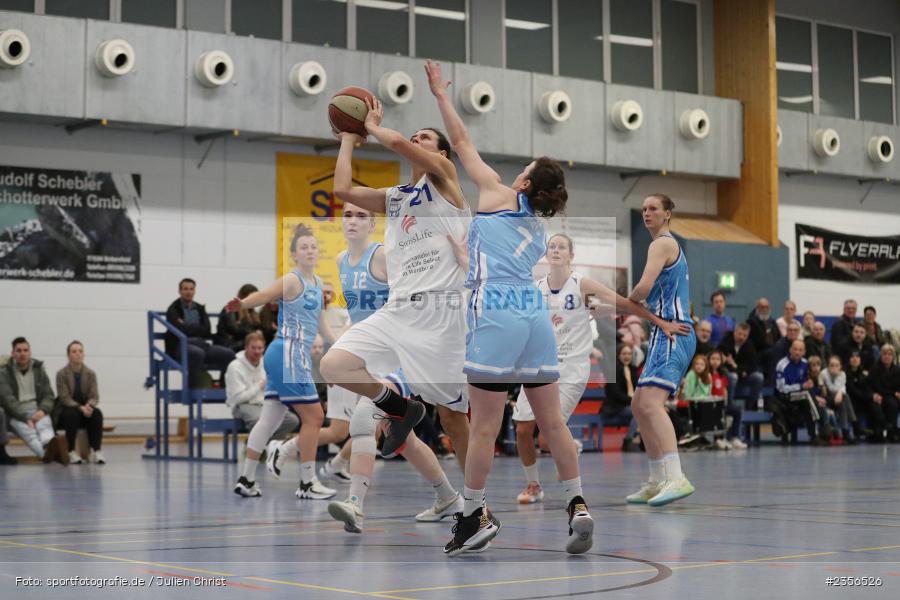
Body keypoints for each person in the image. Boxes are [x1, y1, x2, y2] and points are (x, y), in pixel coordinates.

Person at [428, 60, 685, 556]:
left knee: (484, 427)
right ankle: (577, 503)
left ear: (525, 184)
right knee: (553, 424)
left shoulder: (498, 194)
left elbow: (460, 142)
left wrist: (441, 95)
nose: (517, 172)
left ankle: (473, 515)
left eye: (523, 170)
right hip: (533, 314)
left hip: (497, 310)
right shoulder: (535, 224)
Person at [320, 90, 472, 534]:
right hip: (398, 310)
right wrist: (348, 139)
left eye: (426, 137)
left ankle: (474, 502)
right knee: (334, 365)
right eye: (415, 135)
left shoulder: (446, 181)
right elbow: (342, 190)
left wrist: (370, 125)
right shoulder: (397, 196)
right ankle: (399, 408)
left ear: (441, 154)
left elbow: (399, 145)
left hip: (441, 316)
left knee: (453, 418)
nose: (415, 139)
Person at [513, 233, 676, 504]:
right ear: (546, 254)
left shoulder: (581, 284)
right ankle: (534, 485)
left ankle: (569, 452)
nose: (556, 250)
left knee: (547, 437)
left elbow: (619, 302)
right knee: (522, 430)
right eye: (552, 246)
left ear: (571, 255)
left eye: (562, 247)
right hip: (540, 366)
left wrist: (657, 321)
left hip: (571, 368)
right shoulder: (536, 288)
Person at [229, 224, 337, 500]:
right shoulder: (292, 280)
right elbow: (265, 295)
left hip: (286, 355)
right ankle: (307, 483)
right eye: (304, 247)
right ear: (294, 254)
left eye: (313, 246)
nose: (310, 251)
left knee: (270, 418)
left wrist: (342, 346)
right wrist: (243, 304)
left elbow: (324, 328)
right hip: (288, 351)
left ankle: (246, 479)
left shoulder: (317, 284)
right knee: (315, 417)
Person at [625, 194, 697, 508]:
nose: (646, 213)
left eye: (653, 208)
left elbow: (642, 288)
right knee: (639, 406)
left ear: (667, 214)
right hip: (662, 331)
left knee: (652, 405)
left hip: (674, 331)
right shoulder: (661, 245)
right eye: (643, 209)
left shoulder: (662, 244)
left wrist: (627, 301)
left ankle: (676, 477)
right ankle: (657, 479)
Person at [0, 338, 67, 464]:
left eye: (25, 350)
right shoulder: (3, 373)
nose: (22, 353)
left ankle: (50, 448)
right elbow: (7, 400)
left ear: (30, 352)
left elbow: (48, 395)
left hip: (37, 409)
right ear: (13, 353)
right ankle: (49, 454)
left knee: (45, 426)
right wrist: (25, 418)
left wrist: (43, 410)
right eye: (19, 350)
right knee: (29, 433)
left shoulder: (39, 370)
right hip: (15, 413)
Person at [225, 331, 300, 440]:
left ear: (264, 348)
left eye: (259, 348)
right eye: (253, 348)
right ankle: (261, 446)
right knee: (260, 421)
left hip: (265, 403)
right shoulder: (234, 367)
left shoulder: (267, 362)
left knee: (292, 420)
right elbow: (237, 399)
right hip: (244, 405)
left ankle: (265, 445)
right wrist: (259, 385)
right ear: (246, 347)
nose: (257, 351)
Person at [164, 278, 236, 388]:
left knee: (229, 354)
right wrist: (197, 328)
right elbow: (178, 329)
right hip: (181, 346)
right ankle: (192, 390)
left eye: (191, 289)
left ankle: (224, 388)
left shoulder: (200, 308)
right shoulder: (173, 309)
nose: (188, 292)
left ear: (194, 291)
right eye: (185, 289)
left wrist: (186, 326)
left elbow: (207, 329)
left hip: (201, 344)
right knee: (197, 353)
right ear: (180, 291)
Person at [56, 341, 105, 464]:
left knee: (97, 413)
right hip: (66, 411)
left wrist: (89, 406)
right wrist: (80, 407)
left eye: (80, 351)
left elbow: (94, 396)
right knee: (72, 414)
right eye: (74, 351)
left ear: (84, 354)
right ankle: (71, 451)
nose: (78, 354)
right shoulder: (61, 374)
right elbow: (64, 398)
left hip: (85, 410)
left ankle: (96, 450)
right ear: (68, 355)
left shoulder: (91, 374)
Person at [603, 345, 640, 451]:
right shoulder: (612, 371)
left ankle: (635, 440)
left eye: (629, 354)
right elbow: (616, 393)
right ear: (618, 355)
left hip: (631, 406)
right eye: (624, 354)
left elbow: (638, 390)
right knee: (640, 412)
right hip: (616, 407)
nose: (627, 356)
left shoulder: (633, 370)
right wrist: (633, 401)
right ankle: (629, 440)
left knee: (645, 412)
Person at [718, 322, 764, 406]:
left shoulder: (749, 345)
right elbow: (722, 361)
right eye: (739, 334)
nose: (741, 337)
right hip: (729, 372)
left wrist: (735, 365)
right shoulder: (726, 341)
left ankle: (750, 405)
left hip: (743, 373)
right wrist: (740, 371)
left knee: (759, 377)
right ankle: (730, 406)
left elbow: (753, 366)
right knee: (733, 376)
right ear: (734, 332)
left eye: (745, 335)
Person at [708, 350, 746, 449]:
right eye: (713, 359)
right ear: (708, 360)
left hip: (722, 403)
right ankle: (718, 439)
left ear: (721, 361)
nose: (715, 361)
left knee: (737, 411)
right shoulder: (707, 374)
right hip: (711, 404)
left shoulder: (722, 374)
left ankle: (735, 438)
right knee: (718, 414)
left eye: (718, 359)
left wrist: (725, 401)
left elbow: (724, 389)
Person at [819, 355, 858, 444]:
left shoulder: (843, 374)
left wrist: (840, 392)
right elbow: (832, 388)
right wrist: (840, 392)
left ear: (840, 367)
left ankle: (845, 432)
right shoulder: (823, 373)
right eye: (832, 365)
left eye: (837, 365)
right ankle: (854, 425)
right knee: (845, 396)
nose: (834, 367)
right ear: (828, 366)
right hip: (826, 400)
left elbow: (842, 388)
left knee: (843, 402)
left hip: (838, 400)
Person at [867, 344, 900, 443]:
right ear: (880, 355)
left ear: (893, 356)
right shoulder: (874, 369)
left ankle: (893, 432)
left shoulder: (897, 370)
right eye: (884, 354)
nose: (887, 356)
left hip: (891, 395)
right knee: (891, 403)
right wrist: (894, 393)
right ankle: (880, 433)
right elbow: (877, 387)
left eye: (889, 354)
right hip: (878, 394)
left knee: (893, 403)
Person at [217, 284, 261, 352]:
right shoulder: (231, 308)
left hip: (244, 342)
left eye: (256, 297)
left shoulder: (252, 312)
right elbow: (234, 330)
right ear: (244, 296)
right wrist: (253, 332)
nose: (254, 300)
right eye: (252, 297)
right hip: (230, 343)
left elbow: (258, 327)